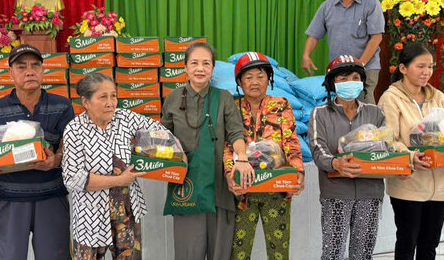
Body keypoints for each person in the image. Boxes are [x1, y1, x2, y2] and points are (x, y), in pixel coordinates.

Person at [62, 73, 178, 259]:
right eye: (103, 97)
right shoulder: (74, 130)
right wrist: (119, 180)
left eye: (113, 96)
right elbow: (73, 178)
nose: (110, 103)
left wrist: (143, 151)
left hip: (127, 211)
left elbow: (161, 134)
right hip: (90, 216)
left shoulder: (124, 118)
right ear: (86, 102)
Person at [0, 44, 74, 260]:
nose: (29, 71)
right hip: (10, 199)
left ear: (43, 70)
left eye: (35, 66)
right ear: (10, 72)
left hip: (52, 198)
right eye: (21, 67)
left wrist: (56, 160)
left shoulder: (62, 106)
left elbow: (71, 147)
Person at [161, 42, 254, 260]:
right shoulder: (173, 98)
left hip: (219, 188)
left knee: (219, 253)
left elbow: (236, 134)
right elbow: (163, 137)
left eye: (206, 63)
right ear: (185, 67)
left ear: (212, 68)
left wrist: (242, 159)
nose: (200, 68)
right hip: (186, 187)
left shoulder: (224, 98)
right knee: (187, 253)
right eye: (194, 63)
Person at [223, 52, 305, 260]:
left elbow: (291, 142)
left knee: (279, 250)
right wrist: (228, 174)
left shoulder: (281, 104)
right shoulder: (232, 108)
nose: (254, 82)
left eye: (260, 76)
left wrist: (298, 172)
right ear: (239, 82)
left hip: (276, 188)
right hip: (242, 191)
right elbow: (227, 145)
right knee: (238, 252)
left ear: (269, 79)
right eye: (248, 77)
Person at [377, 43, 444, 260]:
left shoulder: (439, 98)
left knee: (430, 244)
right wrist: (410, 156)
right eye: (420, 66)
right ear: (403, 68)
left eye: (430, 66)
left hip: (441, 183)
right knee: (407, 242)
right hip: (408, 183)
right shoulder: (390, 98)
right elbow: (388, 138)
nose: (426, 72)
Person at [309, 55, 386, 260]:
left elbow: (387, 147)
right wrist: (335, 163)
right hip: (336, 193)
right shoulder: (320, 113)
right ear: (332, 84)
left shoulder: (375, 113)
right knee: (333, 252)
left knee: (363, 253)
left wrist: (399, 165)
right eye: (343, 79)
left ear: (362, 81)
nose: (350, 83)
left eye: (354, 77)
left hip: (370, 192)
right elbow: (318, 149)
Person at [302, 0, 384, 104]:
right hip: (338, 67)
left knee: (364, 106)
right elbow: (314, 34)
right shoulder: (327, 6)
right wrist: (306, 55)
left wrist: (359, 65)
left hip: (366, 67)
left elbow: (376, 38)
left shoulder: (372, 4)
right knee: (339, 106)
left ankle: (369, 127)